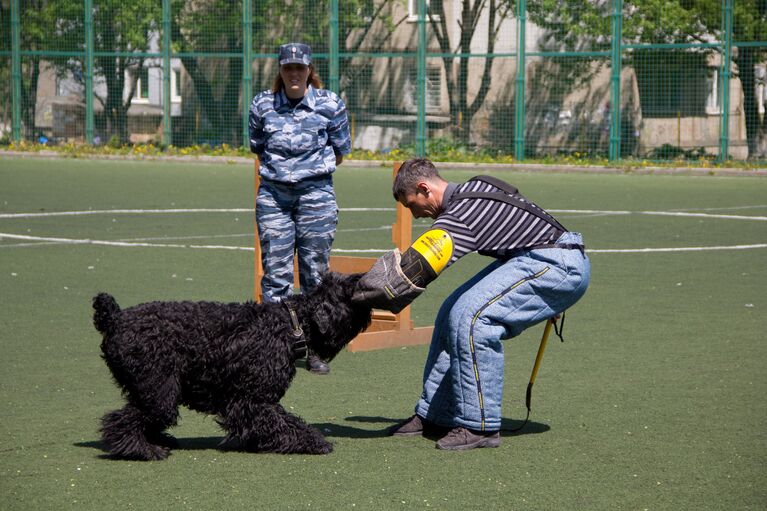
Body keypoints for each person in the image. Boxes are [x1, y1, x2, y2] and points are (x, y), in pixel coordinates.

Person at [353, 158, 590, 450]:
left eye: (411, 204)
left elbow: (411, 272)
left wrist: (354, 295)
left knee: (473, 319)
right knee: (450, 312)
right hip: (541, 257)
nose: (414, 215)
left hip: (555, 263)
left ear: (425, 188)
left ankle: (480, 426)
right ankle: (435, 415)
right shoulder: (480, 184)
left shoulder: (458, 216)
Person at [249, 42, 351, 375]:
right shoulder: (262, 105)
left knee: (315, 276)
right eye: (288, 68)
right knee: (275, 276)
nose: (294, 73)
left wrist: (308, 175)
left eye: (300, 68)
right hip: (274, 199)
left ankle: (317, 350)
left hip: (315, 197)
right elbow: (257, 146)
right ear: (280, 70)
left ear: (309, 70)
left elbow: (340, 150)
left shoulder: (330, 105)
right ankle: (272, 348)